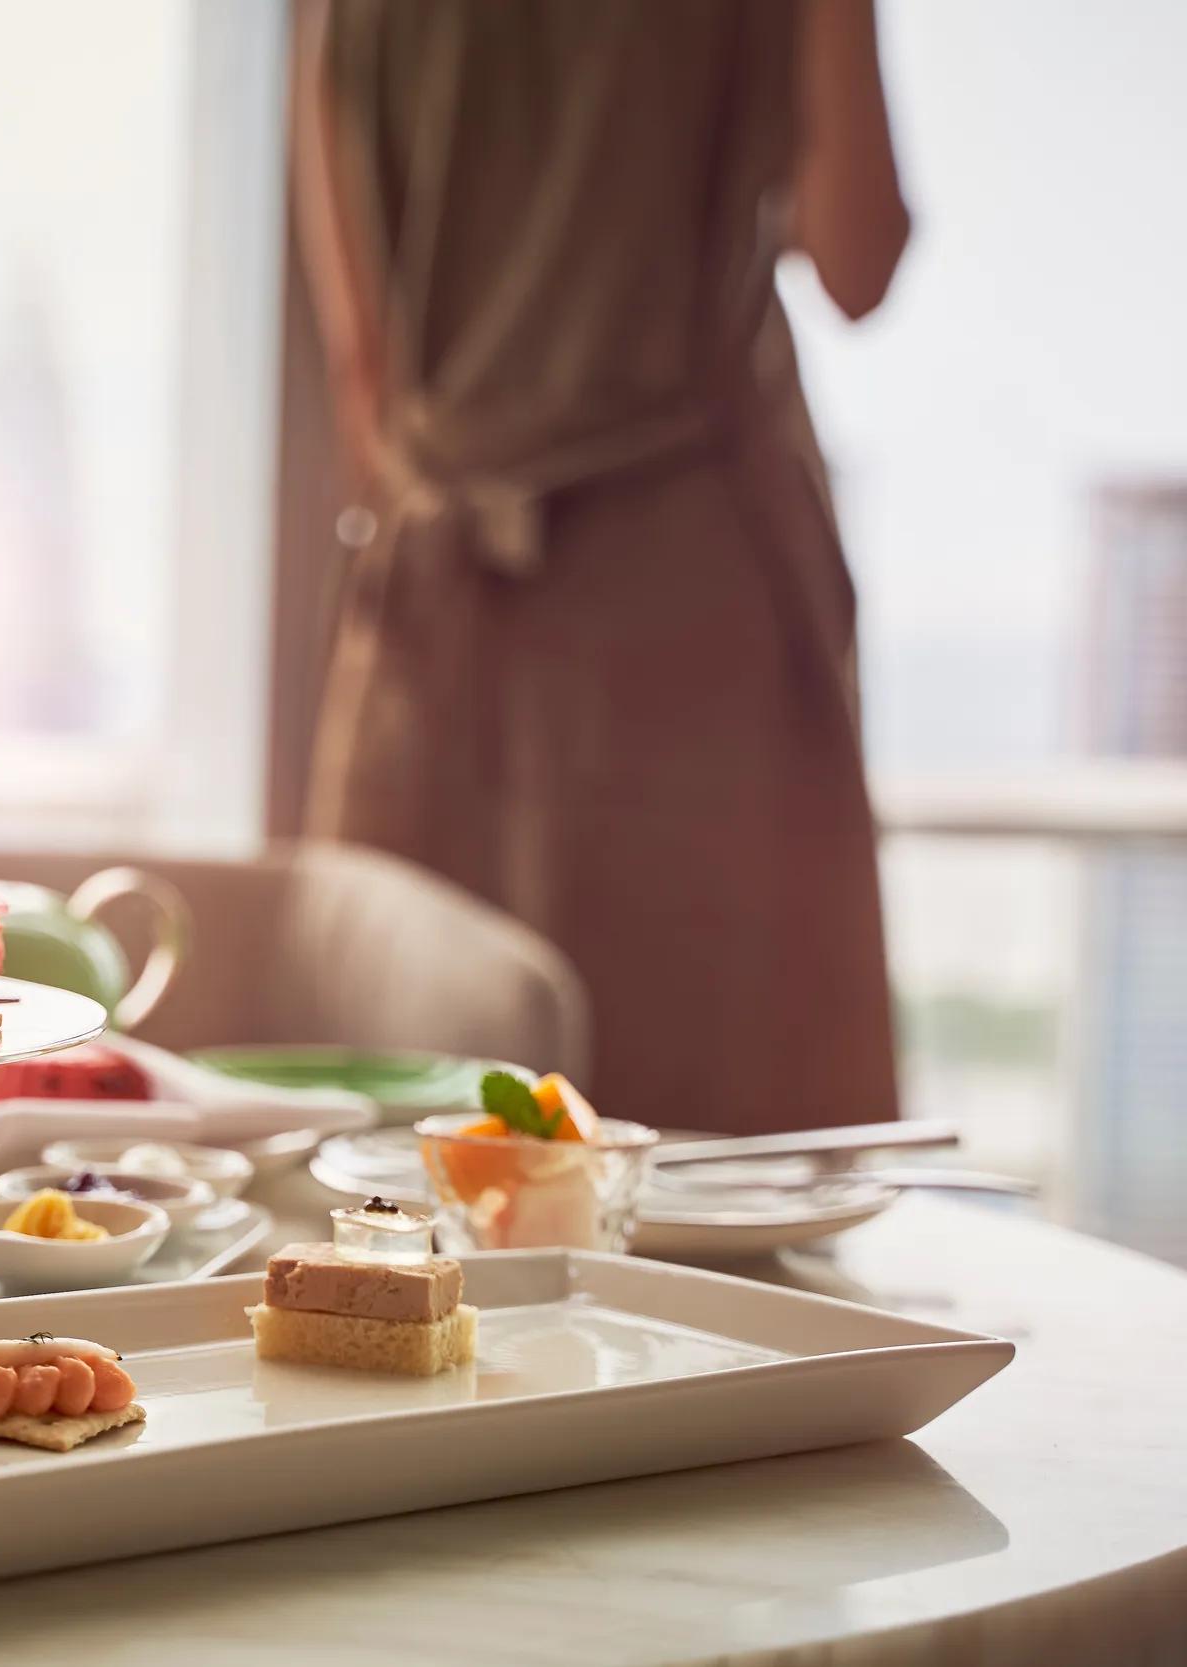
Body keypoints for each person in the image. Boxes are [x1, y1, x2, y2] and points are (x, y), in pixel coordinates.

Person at [295, 0, 910, 1134]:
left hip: (434, 604)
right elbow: (858, 255)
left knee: (411, 1166)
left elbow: (363, 372)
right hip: (688, 597)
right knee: (710, 1188)